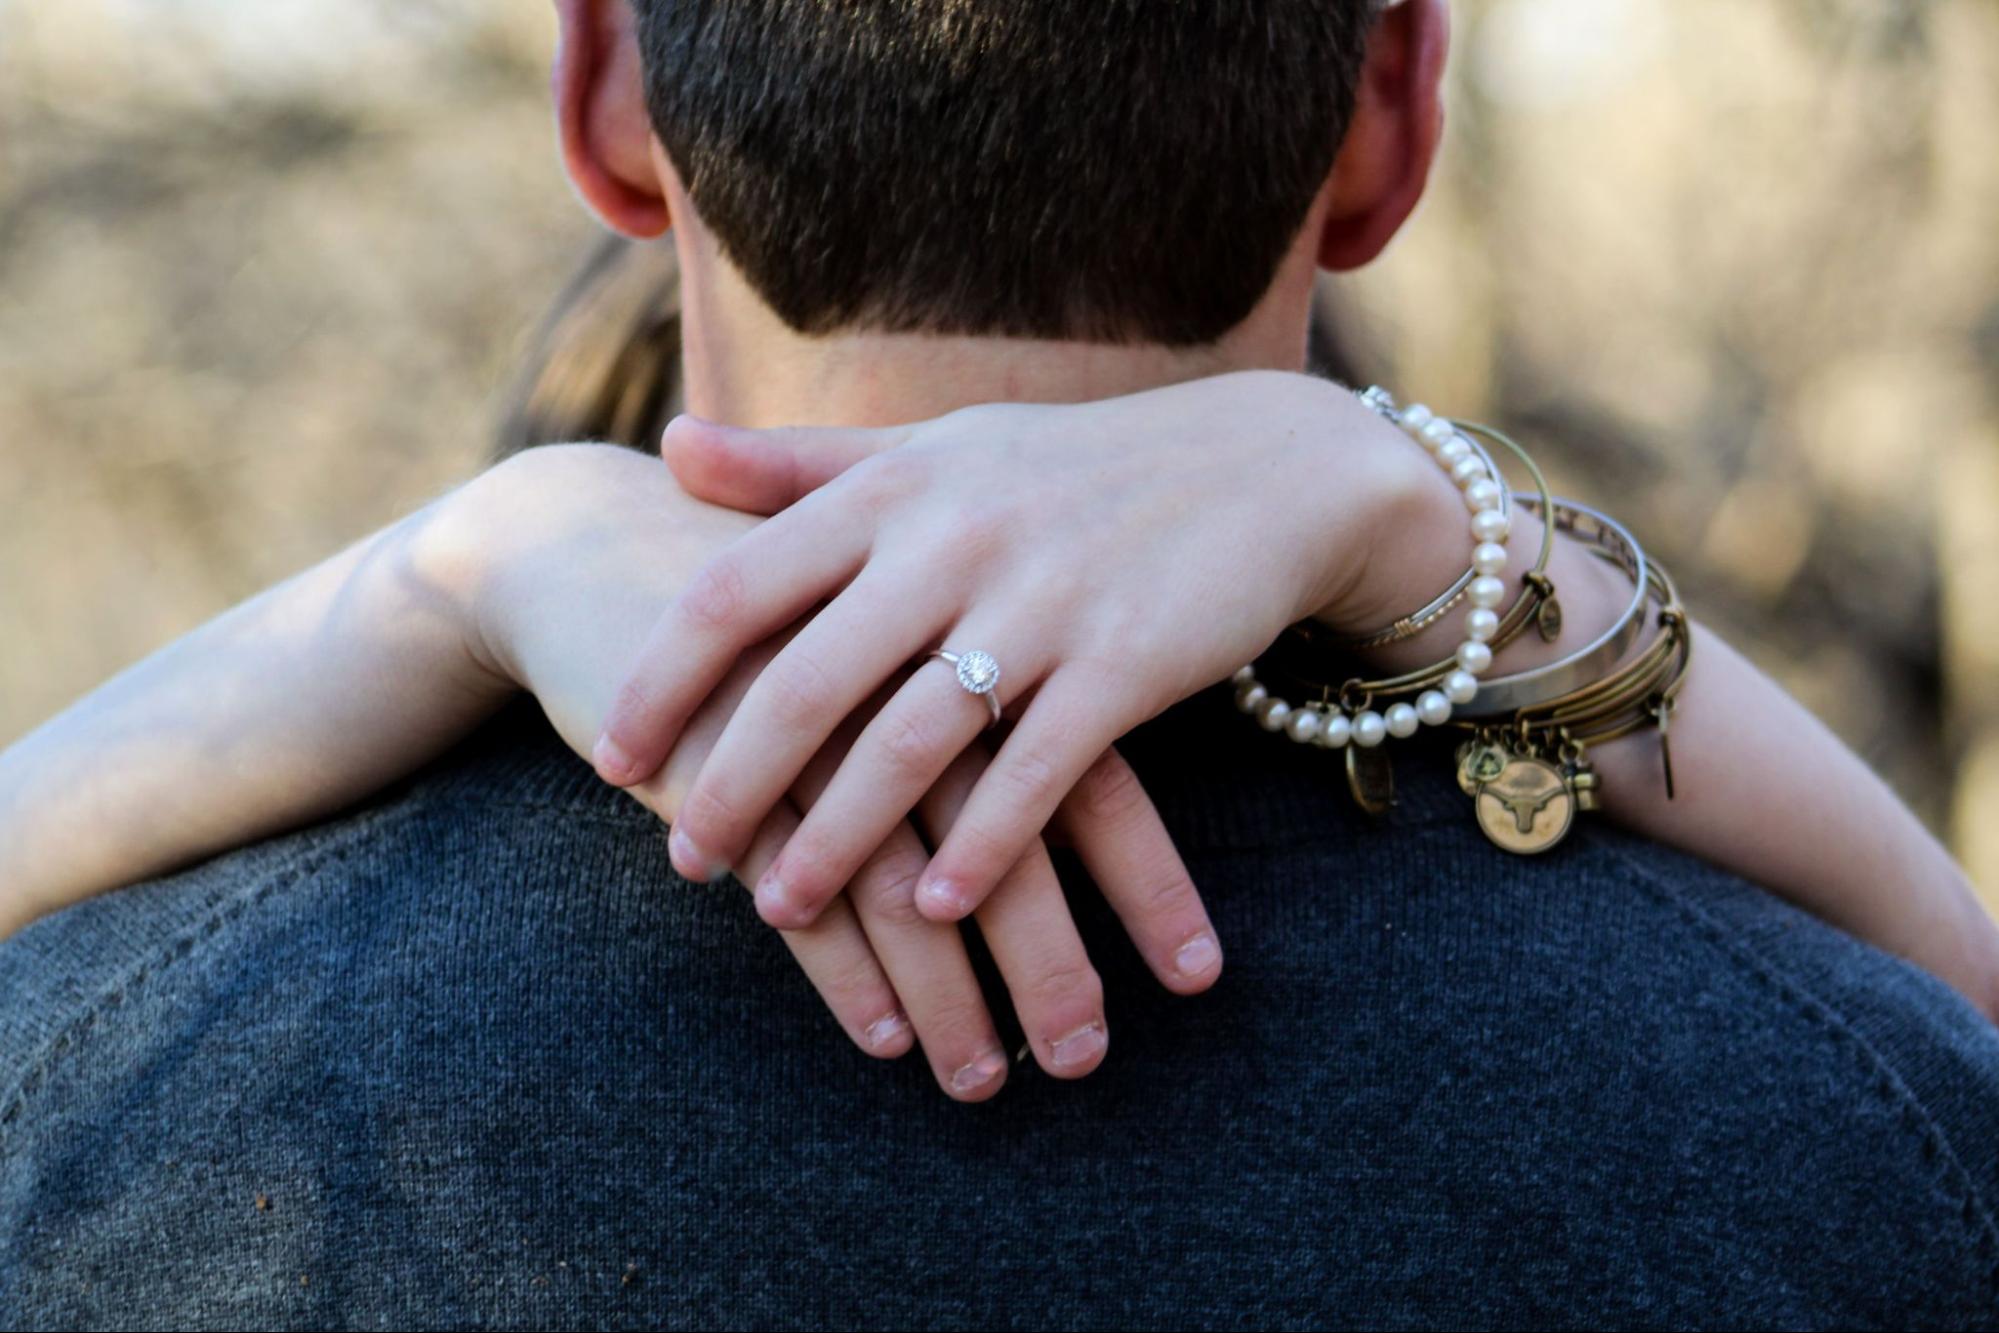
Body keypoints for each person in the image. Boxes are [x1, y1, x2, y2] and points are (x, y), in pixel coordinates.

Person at [4, 1, 1997, 1326]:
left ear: (606, 88)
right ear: (1392, 112)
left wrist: (439, 573)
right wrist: (1426, 514)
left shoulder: (81, 1102)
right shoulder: (1881, 1121)